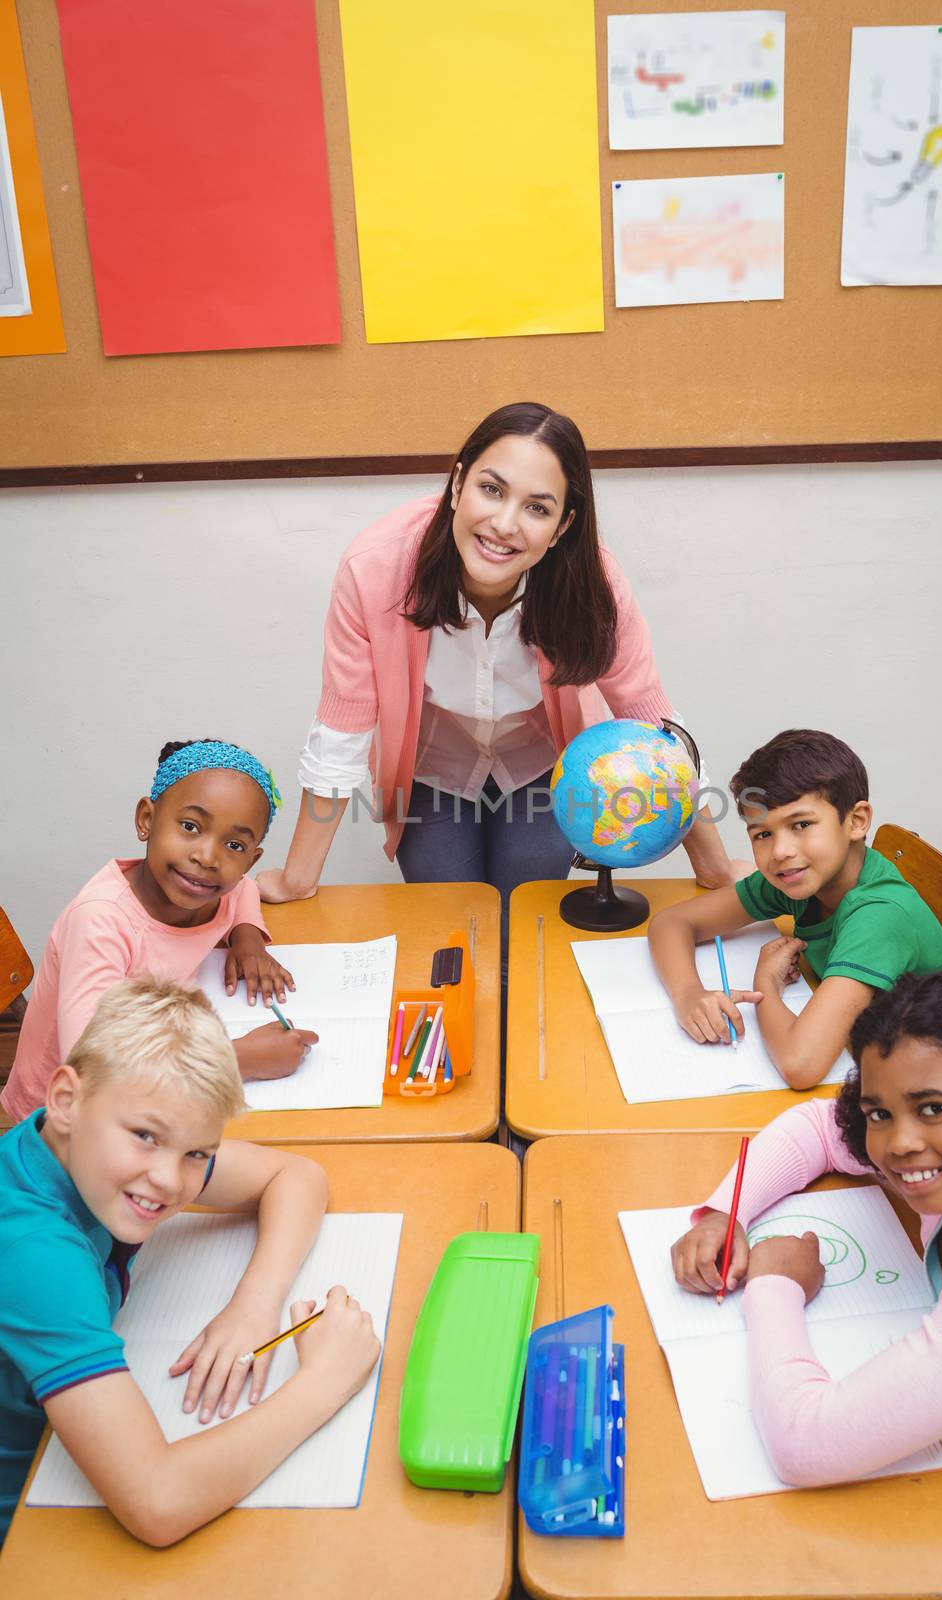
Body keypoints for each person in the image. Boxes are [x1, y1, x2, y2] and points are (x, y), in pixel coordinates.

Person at [258, 401, 739, 942]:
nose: (505, 525)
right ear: (458, 483)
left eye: (537, 508)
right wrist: (299, 878)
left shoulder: (594, 584)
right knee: (455, 936)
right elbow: (341, 733)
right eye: (492, 489)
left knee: (525, 933)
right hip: (430, 770)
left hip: (540, 767)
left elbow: (656, 731)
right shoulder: (373, 570)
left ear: (563, 526)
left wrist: (715, 869)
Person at [671, 970, 942, 1599]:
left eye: (933, 1108)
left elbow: (806, 1446)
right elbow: (820, 1128)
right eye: (880, 1111)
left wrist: (775, 1286)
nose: (900, 1143)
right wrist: (728, 1209)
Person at [0, 977, 380, 1547]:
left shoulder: (81, 1147)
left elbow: (298, 1175)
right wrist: (324, 1381)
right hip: (28, 1522)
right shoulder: (34, 1253)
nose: (171, 1180)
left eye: (198, 1153)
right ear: (65, 1101)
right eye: (145, 1136)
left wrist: (253, 1305)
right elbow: (159, 1503)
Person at [2, 739, 318, 1122]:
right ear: (146, 820)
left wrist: (247, 939)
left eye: (234, 845)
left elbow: (245, 889)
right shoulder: (102, 922)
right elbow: (90, 1071)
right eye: (190, 826)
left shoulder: (209, 889)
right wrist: (238, 1059)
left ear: (251, 859)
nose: (207, 857)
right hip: (64, 1122)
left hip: (157, 1076)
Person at [647, 728, 942, 1088]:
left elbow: (800, 1065)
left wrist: (765, 983)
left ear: (856, 821)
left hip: (924, 1078)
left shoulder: (878, 914)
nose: (780, 851)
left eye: (802, 824)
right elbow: (672, 923)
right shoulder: (801, 877)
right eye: (762, 834)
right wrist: (688, 995)